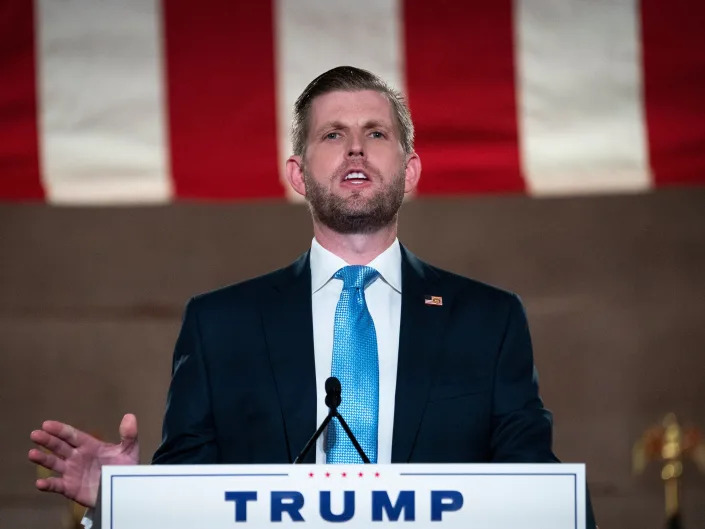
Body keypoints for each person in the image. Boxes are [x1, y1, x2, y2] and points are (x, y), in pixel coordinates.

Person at [29, 66, 596, 527]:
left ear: (410, 169)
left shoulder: (488, 321)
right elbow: (191, 501)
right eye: (333, 135)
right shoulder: (220, 325)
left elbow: (536, 492)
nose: (356, 149)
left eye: (376, 134)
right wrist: (125, 502)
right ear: (298, 174)